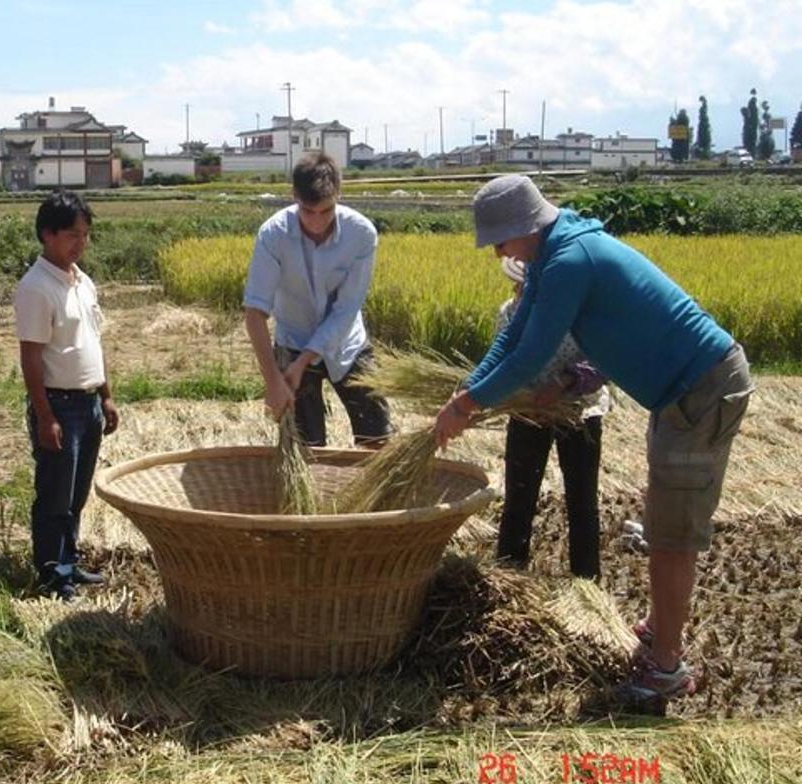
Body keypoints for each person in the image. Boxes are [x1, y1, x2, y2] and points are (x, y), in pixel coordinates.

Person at [434, 175, 754, 702]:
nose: (497, 254)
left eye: (499, 240)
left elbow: (531, 355)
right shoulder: (555, 251)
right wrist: (467, 391)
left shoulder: (568, 261)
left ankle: (666, 668)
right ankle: (660, 630)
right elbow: (513, 336)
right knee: (661, 519)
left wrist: (468, 406)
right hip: (679, 393)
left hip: (702, 388)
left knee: (672, 536)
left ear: (523, 227)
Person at [242, 152, 391, 447]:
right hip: (293, 338)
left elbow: (346, 309)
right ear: (294, 196)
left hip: (347, 342)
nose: (317, 222)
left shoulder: (361, 234)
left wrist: (305, 362)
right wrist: (273, 380)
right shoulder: (273, 235)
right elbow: (255, 312)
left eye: (325, 211)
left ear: (338, 195)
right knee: (303, 446)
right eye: (307, 212)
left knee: (376, 437)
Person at [14, 191, 119, 602]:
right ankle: (51, 573)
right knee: (55, 494)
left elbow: (94, 342)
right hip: (58, 404)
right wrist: (44, 415)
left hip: (87, 402)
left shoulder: (82, 281)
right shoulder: (36, 287)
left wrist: (106, 395)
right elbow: (31, 357)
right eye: (73, 235)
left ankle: (69, 561)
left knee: (76, 493)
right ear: (47, 235)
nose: (81, 243)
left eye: (86, 235)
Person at [493, 256, 610, 580]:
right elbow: (502, 361)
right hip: (527, 412)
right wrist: (514, 397)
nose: (520, 292)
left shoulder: (580, 315)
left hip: (578, 411)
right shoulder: (508, 313)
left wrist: (565, 382)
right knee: (519, 495)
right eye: (518, 286)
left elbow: (603, 360)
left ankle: (586, 579)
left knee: (581, 497)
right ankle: (509, 573)